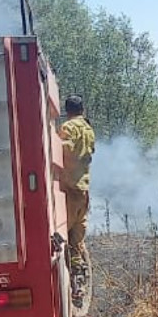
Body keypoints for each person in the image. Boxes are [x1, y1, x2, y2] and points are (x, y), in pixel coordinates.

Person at [60, 95, 95, 303]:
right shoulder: (89, 129)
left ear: (67, 111)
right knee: (76, 239)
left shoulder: (68, 127)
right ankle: (79, 282)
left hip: (68, 190)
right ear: (82, 109)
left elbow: (62, 150)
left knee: (62, 237)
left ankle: (73, 283)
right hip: (83, 191)